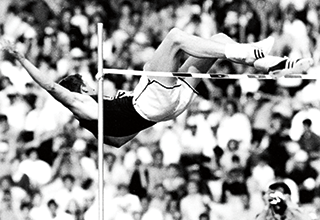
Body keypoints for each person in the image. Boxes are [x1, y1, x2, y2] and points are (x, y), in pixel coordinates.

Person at [0, 28, 313, 147]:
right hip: (151, 105)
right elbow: (53, 87)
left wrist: (126, 113)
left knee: (217, 41)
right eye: (84, 85)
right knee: (175, 37)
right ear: (78, 92)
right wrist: (21, 58)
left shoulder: (104, 118)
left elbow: (120, 142)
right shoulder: (82, 106)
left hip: (165, 109)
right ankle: (246, 53)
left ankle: (269, 64)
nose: (92, 87)